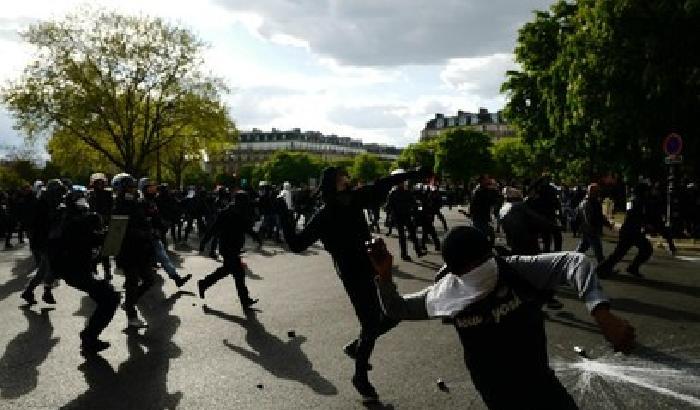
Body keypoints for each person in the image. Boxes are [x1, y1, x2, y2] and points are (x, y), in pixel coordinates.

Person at [370, 226, 636, 410]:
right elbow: (396, 309)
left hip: (540, 381)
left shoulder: (513, 269)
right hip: (496, 392)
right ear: (456, 274)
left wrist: (601, 312)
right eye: (472, 271)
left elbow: (575, 262)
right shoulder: (445, 294)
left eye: (485, 262)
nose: (482, 276)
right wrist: (384, 275)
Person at [278, 166, 428, 401]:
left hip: (370, 265)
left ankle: (357, 348)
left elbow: (383, 183)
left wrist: (413, 173)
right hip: (351, 272)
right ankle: (360, 376)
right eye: (343, 176)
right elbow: (297, 244)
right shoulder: (325, 214)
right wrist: (285, 218)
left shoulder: (353, 200)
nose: (347, 179)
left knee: (393, 313)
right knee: (371, 323)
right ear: (336, 181)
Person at [48, 190, 120, 352]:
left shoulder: (70, 220)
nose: (83, 203)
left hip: (78, 270)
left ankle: (89, 336)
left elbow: (91, 240)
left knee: (106, 298)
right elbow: (88, 239)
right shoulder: (73, 222)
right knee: (110, 298)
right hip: (75, 271)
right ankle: (89, 337)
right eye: (80, 201)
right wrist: (110, 233)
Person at [197, 190, 262, 310]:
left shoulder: (240, 212)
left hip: (234, 248)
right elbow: (213, 228)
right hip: (227, 248)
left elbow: (246, 228)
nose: (246, 204)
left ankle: (204, 283)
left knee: (226, 271)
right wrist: (204, 242)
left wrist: (256, 237)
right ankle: (245, 300)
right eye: (244, 201)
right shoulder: (226, 213)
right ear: (239, 201)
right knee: (239, 273)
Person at [113, 174, 156, 328]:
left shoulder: (136, 204)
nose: (132, 190)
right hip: (127, 252)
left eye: (132, 187)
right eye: (128, 187)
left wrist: (150, 232)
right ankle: (131, 316)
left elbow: (144, 220)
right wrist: (140, 233)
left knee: (149, 279)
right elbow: (118, 232)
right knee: (131, 283)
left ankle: (129, 302)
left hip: (141, 250)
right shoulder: (118, 206)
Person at [597, 183, 653, 278]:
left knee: (620, 253)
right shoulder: (638, 201)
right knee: (645, 249)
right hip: (631, 231)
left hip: (630, 231)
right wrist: (645, 224)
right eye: (647, 191)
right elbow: (635, 216)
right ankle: (601, 270)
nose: (648, 193)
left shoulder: (633, 200)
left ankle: (603, 269)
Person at [386, 178, 425, 261]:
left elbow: (388, 206)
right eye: (402, 183)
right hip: (402, 215)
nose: (403, 184)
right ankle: (410, 253)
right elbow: (413, 203)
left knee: (408, 234)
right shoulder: (400, 192)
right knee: (406, 235)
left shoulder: (395, 192)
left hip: (401, 216)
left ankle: (413, 252)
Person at [575, 183, 614, 263]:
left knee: (582, 248)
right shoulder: (587, 203)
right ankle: (603, 268)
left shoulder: (593, 202)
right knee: (598, 249)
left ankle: (572, 261)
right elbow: (588, 218)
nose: (598, 193)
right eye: (596, 191)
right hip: (590, 230)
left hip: (589, 230)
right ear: (591, 192)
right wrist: (593, 228)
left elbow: (599, 216)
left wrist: (607, 224)